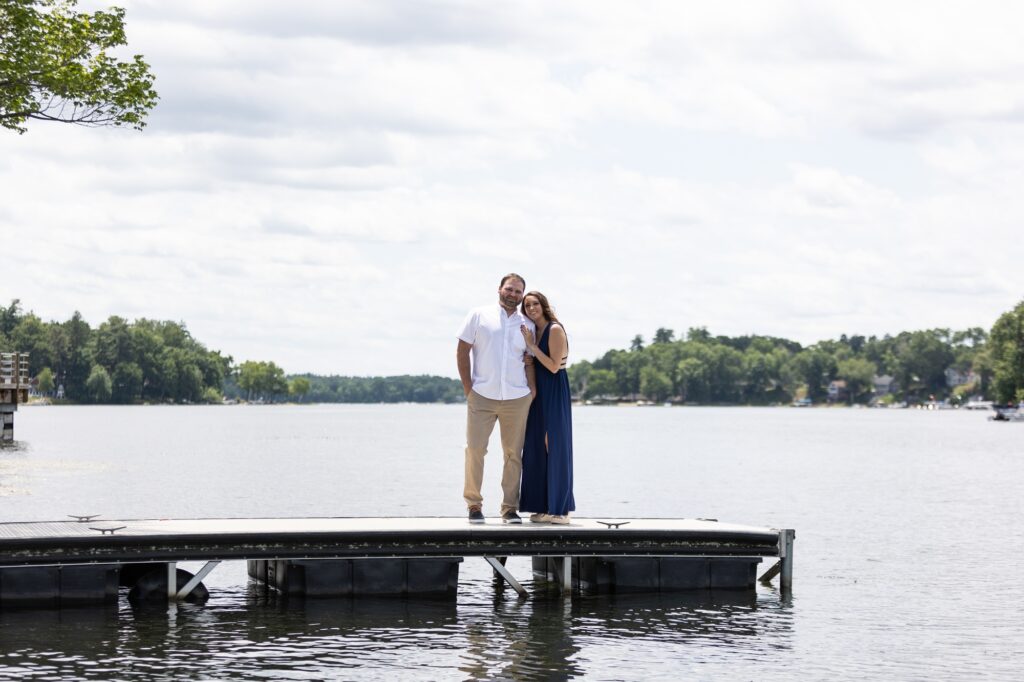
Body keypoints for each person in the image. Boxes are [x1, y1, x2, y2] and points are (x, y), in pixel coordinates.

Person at [456, 273, 536, 524]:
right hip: (482, 395)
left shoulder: (528, 324)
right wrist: (469, 388)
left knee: (513, 454)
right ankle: (473, 505)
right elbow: (462, 350)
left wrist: (531, 391)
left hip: (517, 397)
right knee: (475, 450)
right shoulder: (479, 315)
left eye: (518, 291)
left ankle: (509, 508)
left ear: (522, 294)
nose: (513, 295)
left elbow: (530, 359)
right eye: (509, 289)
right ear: (499, 289)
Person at [518, 291, 575, 524]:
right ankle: (541, 507)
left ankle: (560, 510)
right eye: (527, 305)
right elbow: (537, 361)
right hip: (538, 393)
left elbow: (553, 366)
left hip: (554, 390)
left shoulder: (554, 329)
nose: (531, 308)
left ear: (543, 305)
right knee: (535, 447)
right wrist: (529, 358)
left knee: (555, 445)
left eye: (535, 304)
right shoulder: (534, 330)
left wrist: (532, 347)